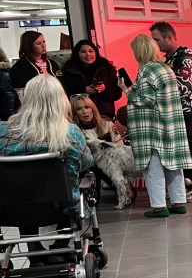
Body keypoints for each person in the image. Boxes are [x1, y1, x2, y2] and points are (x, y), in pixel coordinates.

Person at [0, 74, 93, 263]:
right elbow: (87, 162)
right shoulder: (71, 132)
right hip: (59, 207)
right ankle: (59, 246)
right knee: (69, 186)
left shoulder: (3, 130)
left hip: (10, 209)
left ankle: (32, 245)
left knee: (22, 187)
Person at [119, 34, 192, 218]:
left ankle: (159, 206)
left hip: (151, 128)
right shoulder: (165, 68)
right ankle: (179, 201)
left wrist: (126, 90)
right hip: (171, 125)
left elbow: (147, 100)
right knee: (173, 166)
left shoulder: (146, 70)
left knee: (153, 168)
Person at [149, 21, 192, 202]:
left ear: (169, 37)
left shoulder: (185, 58)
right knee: (184, 149)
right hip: (175, 112)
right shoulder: (170, 58)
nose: (155, 44)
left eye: (157, 39)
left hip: (187, 111)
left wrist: (159, 85)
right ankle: (191, 184)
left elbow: (186, 87)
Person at [60, 39, 123, 119]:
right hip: (80, 116)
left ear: (95, 52)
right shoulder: (68, 70)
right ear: (77, 54)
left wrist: (104, 89)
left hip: (104, 114)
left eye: (91, 51)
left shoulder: (106, 67)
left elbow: (117, 94)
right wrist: (83, 90)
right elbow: (64, 94)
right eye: (83, 52)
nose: (88, 54)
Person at [0, 47, 18, 121]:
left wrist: (9, 115)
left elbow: (7, 95)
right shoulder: (6, 71)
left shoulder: (2, 73)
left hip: (6, 113)